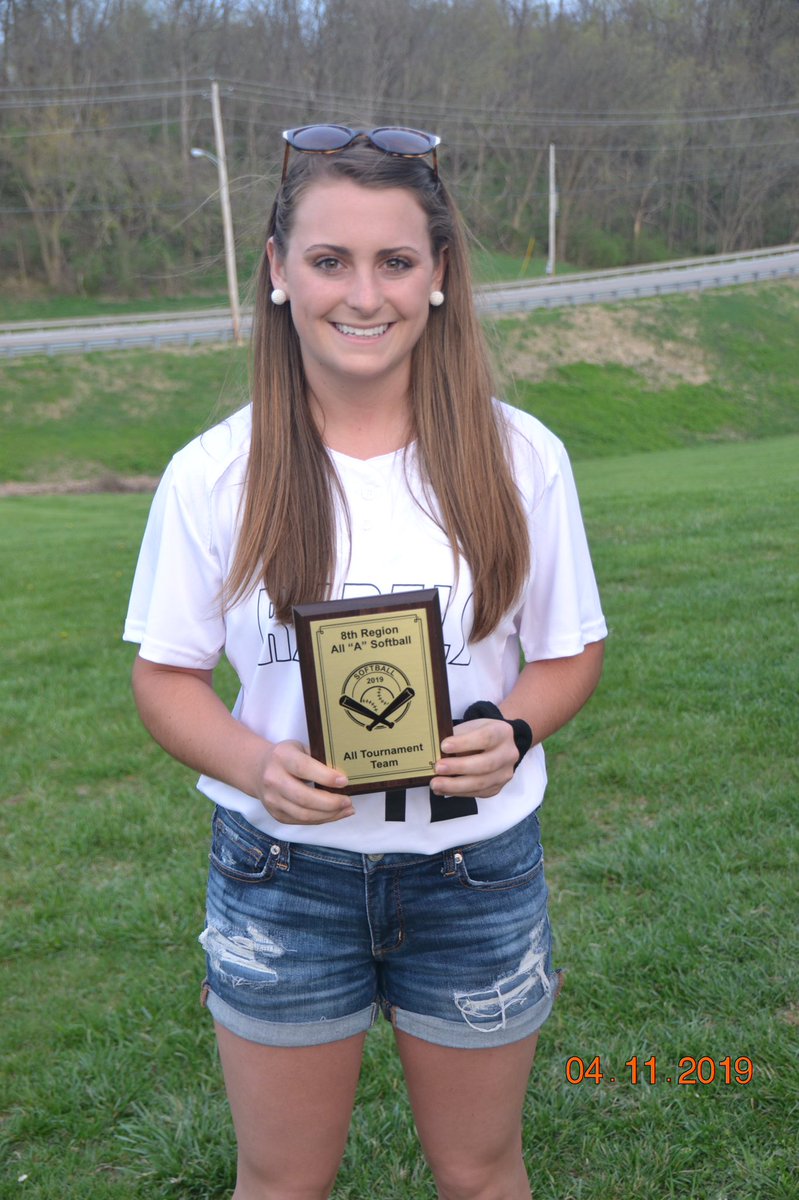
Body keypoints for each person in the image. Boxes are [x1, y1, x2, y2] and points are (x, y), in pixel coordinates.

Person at [124, 123, 607, 1200]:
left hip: (473, 870)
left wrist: (514, 732)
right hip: (283, 878)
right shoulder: (215, 474)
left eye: (395, 261)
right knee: (282, 1182)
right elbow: (164, 677)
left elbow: (569, 653)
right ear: (279, 273)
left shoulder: (520, 455)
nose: (363, 293)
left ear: (439, 277)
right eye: (329, 260)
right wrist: (256, 766)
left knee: (480, 1172)